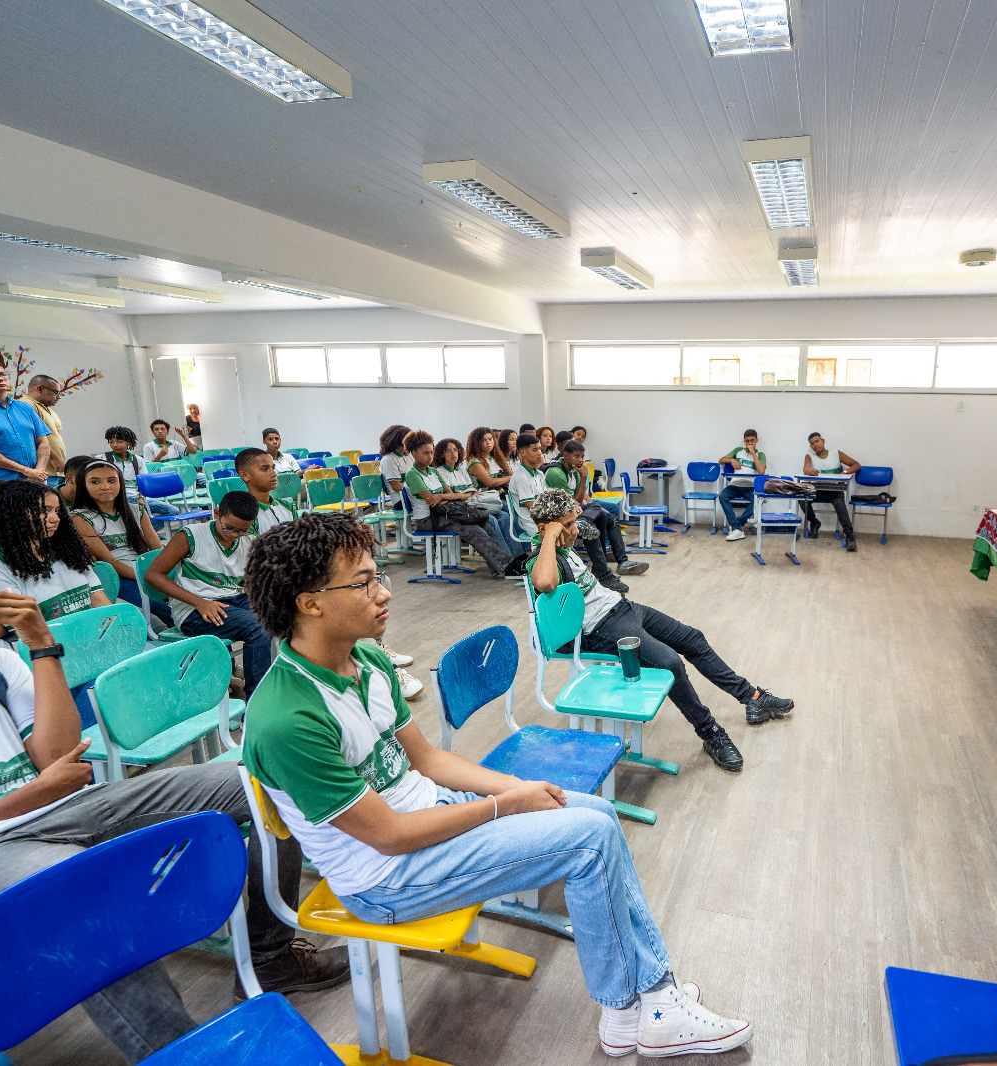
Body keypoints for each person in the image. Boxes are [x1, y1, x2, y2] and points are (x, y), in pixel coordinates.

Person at [239, 513, 753, 1058]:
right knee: (587, 842)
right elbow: (388, 835)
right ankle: (649, 1002)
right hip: (386, 878)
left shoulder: (364, 658)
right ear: (309, 602)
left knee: (596, 815)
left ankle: (635, 1008)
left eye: (378, 576)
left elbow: (431, 760)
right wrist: (503, 806)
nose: (383, 592)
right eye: (363, 582)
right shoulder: (286, 718)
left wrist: (520, 789)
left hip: (430, 815)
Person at [0, 566, 347, 1062]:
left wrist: (41, 642)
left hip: (59, 808)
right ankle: (178, 1052)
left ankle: (271, 958)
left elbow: (56, 758)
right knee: (85, 899)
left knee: (269, 786)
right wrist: (21, 801)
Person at [528, 488, 793, 773]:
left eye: (572, 523)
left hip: (623, 608)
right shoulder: (541, 557)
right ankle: (711, 732)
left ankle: (753, 698)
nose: (574, 531)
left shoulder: (566, 544)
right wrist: (552, 534)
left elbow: (587, 528)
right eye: (566, 526)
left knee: (693, 638)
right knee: (670, 664)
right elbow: (544, 582)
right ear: (547, 528)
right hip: (601, 628)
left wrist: (568, 521)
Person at [144, 491, 274, 695]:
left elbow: (244, 579)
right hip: (193, 609)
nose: (234, 535)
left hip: (234, 600)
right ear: (216, 513)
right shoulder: (190, 536)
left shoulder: (248, 540)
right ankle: (257, 699)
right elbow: (153, 575)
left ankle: (273, 685)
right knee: (258, 627)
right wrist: (199, 602)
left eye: (242, 530)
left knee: (276, 616)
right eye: (229, 527)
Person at [0, 479, 114, 621]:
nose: (55, 519)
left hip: (93, 635)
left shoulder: (68, 550)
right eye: (44, 511)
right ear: (15, 514)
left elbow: (101, 603)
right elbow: (31, 632)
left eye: (57, 511)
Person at [401, 432, 523, 579]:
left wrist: (442, 497)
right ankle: (506, 566)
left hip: (446, 513)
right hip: (428, 520)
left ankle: (505, 562)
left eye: (431, 452)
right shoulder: (413, 474)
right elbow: (431, 501)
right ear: (414, 453)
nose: (430, 456)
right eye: (425, 453)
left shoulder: (432, 471)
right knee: (472, 529)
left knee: (485, 523)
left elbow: (450, 495)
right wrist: (446, 497)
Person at [68, 459, 167, 622]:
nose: (105, 486)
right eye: (95, 482)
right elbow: (111, 562)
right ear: (84, 485)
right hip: (118, 576)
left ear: (120, 483)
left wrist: (164, 574)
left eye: (111, 480)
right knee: (156, 605)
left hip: (148, 571)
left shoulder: (136, 511)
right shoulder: (80, 517)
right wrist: (149, 577)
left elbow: (157, 550)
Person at [549, 439, 647, 589]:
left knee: (608, 517)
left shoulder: (573, 470)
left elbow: (578, 500)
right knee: (593, 526)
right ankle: (603, 573)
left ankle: (621, 562)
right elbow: (571, 503)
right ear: (565, 455)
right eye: (577, 456)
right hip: (560, 517)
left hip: (573, 511)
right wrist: (583, 478)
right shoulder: (556, 472)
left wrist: (585, 493)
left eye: (582, 456)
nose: (581, 460)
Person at [440, 437, 522, 561]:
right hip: (459, 510)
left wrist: (466, 495)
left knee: (504, 516)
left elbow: (472, 491)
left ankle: (518, 555)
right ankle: (507, 560)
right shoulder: (440, 472)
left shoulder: (461, 471)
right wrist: (466, 495)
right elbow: (451, 496)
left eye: (456, 450)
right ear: (441, 454)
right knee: (492, 520)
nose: (453, 454)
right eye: (449, 451)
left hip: (473, 504)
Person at [801, 432, 860, 552]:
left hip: (834, 490)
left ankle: (850, 536)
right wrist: (808, 470)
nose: (815, 445)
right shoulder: (809, 456)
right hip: (817, 489)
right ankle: (814, 522)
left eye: (817, 441)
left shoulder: (836, 454)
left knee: (839, 504)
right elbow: (805, 468)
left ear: (823, 441)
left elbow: (856, 465)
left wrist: (845, 472)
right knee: (802, 498)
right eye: (812, 443)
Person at [105, 426, 179, 518]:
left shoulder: (138, 460)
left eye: (119, 442)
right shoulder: (104, 459)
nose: (115, 445)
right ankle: (139, 530)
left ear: (129, 443)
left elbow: (144, 483)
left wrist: (141, 498)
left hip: (137, 497)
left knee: (173, 511)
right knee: (133, 516)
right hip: (117, 499)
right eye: (111, 442)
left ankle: (142, 531)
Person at [717, 430, 766, 541]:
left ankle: (736, 526)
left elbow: (761, 471)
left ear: (756, 441)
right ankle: (737, 528)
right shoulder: (738, 451)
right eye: (747, 441)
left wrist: (753, 453)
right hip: (735, 484)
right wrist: (731, 460)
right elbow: (720, 460)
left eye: (752, 441)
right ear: (744, 441)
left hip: (750, 486)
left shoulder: (760, 454)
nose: (749, 443)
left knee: (759, 501)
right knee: (722, 496)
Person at [234, 447, 296, 534]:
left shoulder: (287, 507)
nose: (274, 474)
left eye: (273, 468)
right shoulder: (243, 515)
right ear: (245, 475)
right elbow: (253, 547)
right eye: (265, 469)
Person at [22, 374, 67, 478]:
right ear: (40, 388)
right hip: (42, 473)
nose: (58, 397)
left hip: (56, 472)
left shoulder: (47, 409)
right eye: (55, 392)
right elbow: (31, 437)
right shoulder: (26, 405)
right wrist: (54, 458)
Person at [379, 424, 412, 509]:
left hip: (412, 495)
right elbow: (396, 487)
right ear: (396, 442)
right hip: (400, 499)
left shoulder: (409, 456)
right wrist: (418, 493)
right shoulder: (388, 459)